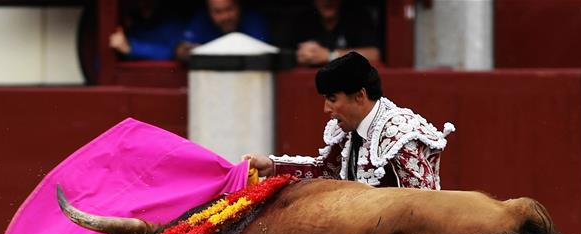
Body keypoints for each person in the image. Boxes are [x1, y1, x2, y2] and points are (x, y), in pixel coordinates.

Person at [243, 52, 454, 190]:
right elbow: (327, 172)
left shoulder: (398, 134)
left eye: (332, 99)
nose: (326, 109)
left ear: (360, 95)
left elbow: (424, 204)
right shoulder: (349, 126)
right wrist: (271, 166)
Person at [292, 0, 382, 66]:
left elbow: (374, 54)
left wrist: (330, 56)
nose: (328, 1)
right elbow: (284, 54)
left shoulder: (358, 17)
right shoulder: (302, 21)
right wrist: (300, 55)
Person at [176, 0, 270, 61]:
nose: (225, 17)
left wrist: (207, 52)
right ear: (209, 12)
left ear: (238, 6)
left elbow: (259, 53)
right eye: (218, 11)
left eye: (229, 9)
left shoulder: (253, 20)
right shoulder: (202, 20)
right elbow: (182, 50)